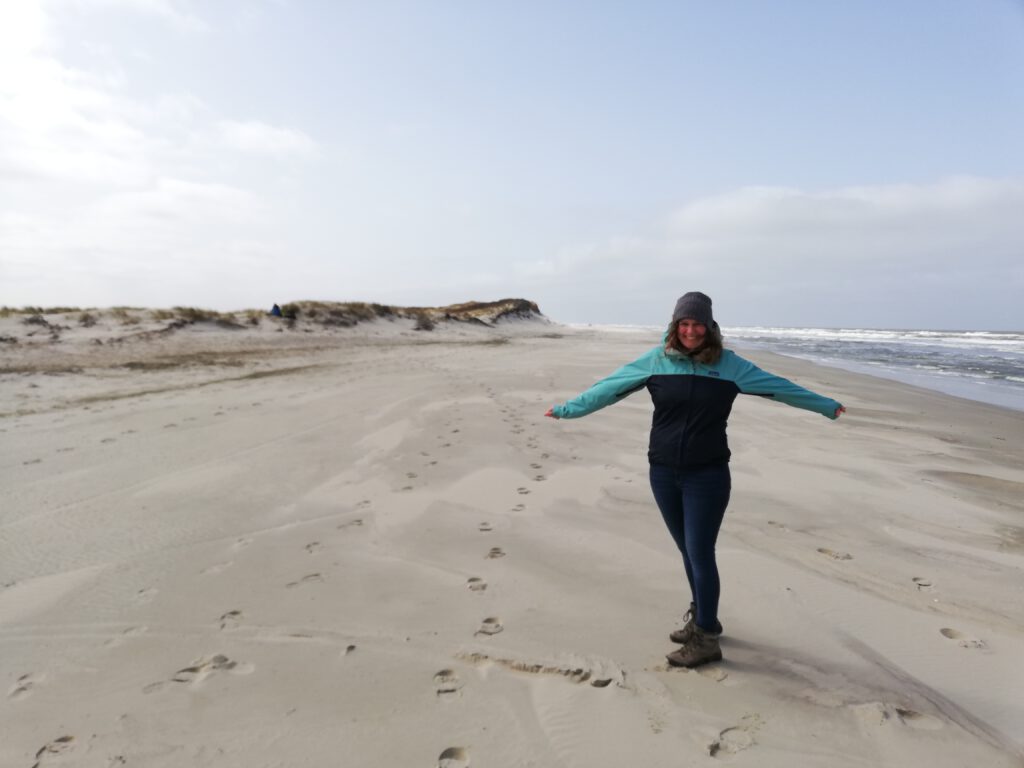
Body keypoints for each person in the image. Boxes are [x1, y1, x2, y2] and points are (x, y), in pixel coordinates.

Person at [544, 292, 845, 668]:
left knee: (700, 552)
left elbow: (780, 387)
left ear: (709, 327)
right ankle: (704, 615)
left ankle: (707, 638)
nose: (690, 331)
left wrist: (826, 406)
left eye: (697, 324)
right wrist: (567, 410)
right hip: (663, 473)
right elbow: (609, 388)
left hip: (708, 475)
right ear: (674, 326)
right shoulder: (656, 361)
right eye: (683, 324)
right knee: (687, 550)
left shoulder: (729, 366)